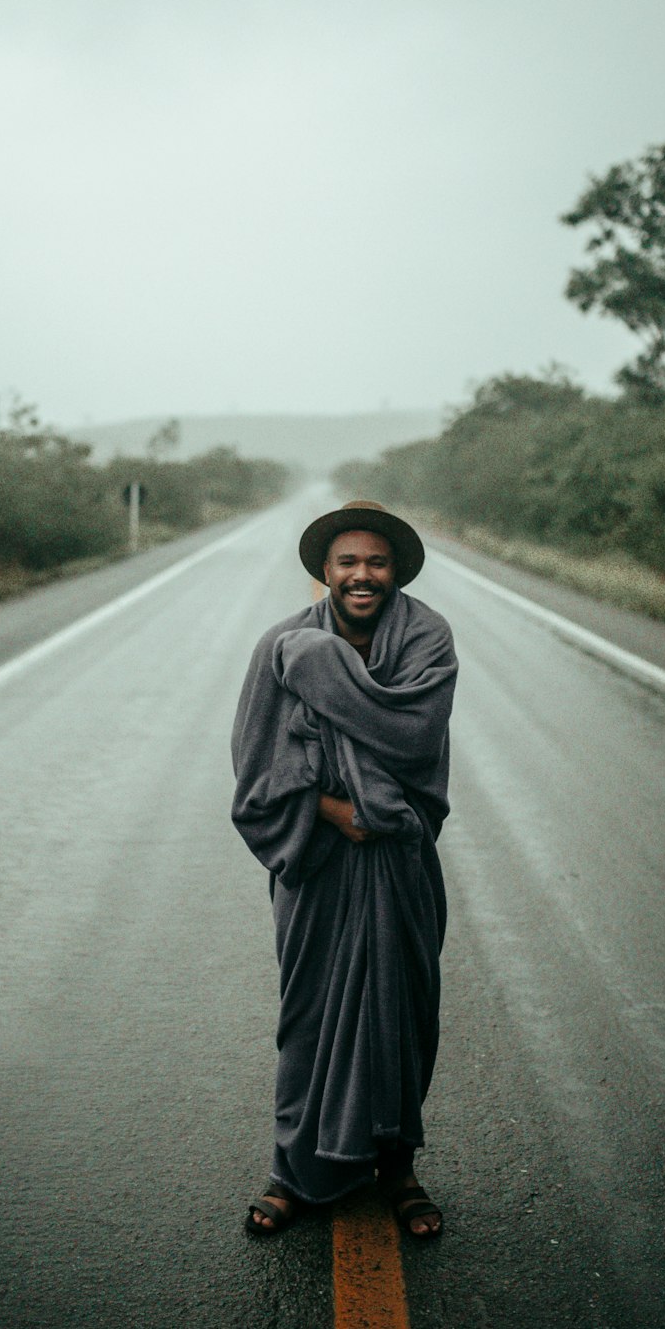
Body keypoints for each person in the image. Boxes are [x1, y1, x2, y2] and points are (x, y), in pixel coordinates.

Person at [231, 500, 458, 1238]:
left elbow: (417, 736)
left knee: (400, 1014)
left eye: (377, 562)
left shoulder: (426, 639)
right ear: (324, 572)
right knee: (309, 1017)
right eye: (347, 563)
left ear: (395, 571)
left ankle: (398, 1169)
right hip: (320, 863)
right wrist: (334, 810)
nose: (363, 576)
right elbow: (257, 762)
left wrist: (382, 810)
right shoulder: (285, 646)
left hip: (399, 862)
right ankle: (292, 1172)